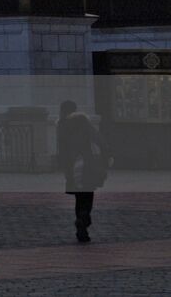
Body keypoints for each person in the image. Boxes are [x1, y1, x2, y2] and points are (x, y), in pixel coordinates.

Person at [57, 99, 107, 243]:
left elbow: (62, 149)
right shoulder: (82, 121)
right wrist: (107, 153)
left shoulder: (61, 125)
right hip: (86, 163)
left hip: (71, 165)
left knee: (79, 197)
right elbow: (97, 139)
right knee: (88, 193)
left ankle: (81, 221)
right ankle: (84, 218)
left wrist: (65, 167)